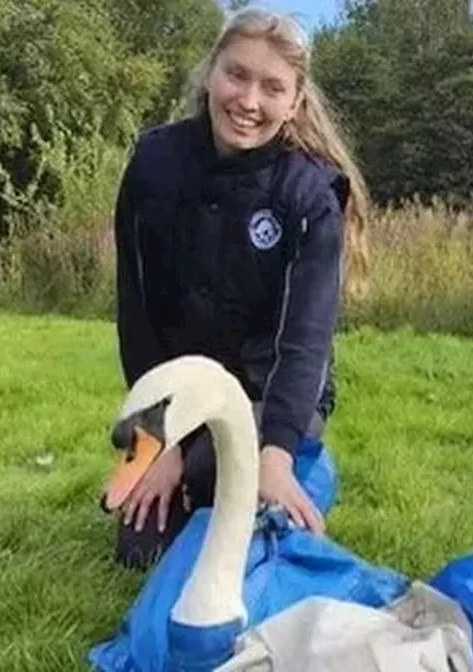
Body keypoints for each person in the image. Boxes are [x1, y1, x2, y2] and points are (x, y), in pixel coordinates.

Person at [108, 7, 370, 569]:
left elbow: (306, 345)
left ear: (294, 101)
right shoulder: (152, 165)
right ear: (211, 72)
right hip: (179, 396)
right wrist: (159, 440)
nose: (249, 101)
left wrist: (273, 454)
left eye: (272, 87)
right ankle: (184, 464)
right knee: (138, 553)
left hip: (268, 396)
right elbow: (137, 318)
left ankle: (301, 462)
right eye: (237, 75)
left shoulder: (309, 198)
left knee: (219, 490)